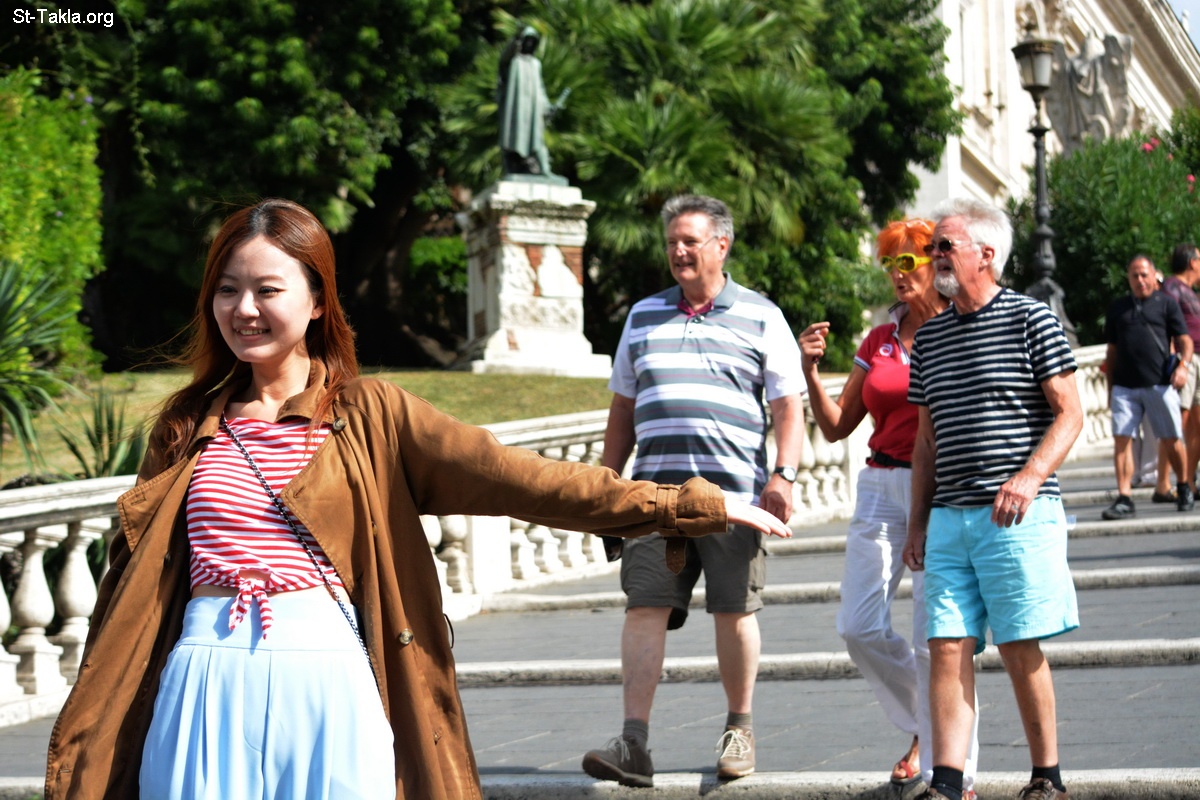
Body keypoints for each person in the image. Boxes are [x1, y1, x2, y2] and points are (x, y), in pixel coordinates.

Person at [43, 198, 793, 800]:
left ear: (316, 301)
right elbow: (128, 589)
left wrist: (682, 504)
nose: (244, 308)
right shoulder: (185, 427)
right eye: (227, 290)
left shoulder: (371, 414)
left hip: (326, 677)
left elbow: (520, 478)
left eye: (268, 290)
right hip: (203, 681)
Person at [581, 194, 804, 787]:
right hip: (654, 499)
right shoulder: (642, 316)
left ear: (721, 246)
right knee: (644, 607)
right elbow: (622, 410)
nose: (679, 251)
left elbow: (788, 407)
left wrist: (783, 475)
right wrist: (606, 489)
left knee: (734, 610)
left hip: (734, 500)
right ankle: (633, 743)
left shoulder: (762, 315)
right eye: (672, 242)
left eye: (690, 241)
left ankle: (739, 729)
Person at [902, 198, 1083, 800]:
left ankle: (1046, 777)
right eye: (932, 247)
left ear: (986, 253)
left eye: (944, 245)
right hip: (949, 518)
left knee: (1018, 643)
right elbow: (925, 442)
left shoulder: (1032, 319)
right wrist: (917, 523)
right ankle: (947, 782)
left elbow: (1071, 413)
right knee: (945, 646)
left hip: (1016, 515)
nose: (933, 256)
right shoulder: (929, 340)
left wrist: (1028, 477)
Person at [798, 219, 978, 796]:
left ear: (935, 263)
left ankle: (951, 771)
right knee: (858, 625)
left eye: (908, 262)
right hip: (879, 486)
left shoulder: (959, 328)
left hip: (940, 488)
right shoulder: (879, 339)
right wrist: (809, 371)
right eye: (890, 264)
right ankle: (927, 723)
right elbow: (836, 427)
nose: (898, 275)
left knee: (934, 636)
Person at [1101, 254, 1194, 520]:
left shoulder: (1166, 304)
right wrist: (1110, 388)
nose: (1140, 280)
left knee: (1171, 438)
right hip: (1125, 387)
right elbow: (1111, 352)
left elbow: (1185, 341)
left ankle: (1183, 486)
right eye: (1135, 275)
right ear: (1128, 279)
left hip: (1159, 384)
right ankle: (1124, 496)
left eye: (1144, 274)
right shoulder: (1118, 308)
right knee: (1122, 439)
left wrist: (1183, 366)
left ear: (1154, 275)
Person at [1160, 243, 1200, 494]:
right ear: (1192, 262)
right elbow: (1167, 323)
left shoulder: (1189, 290)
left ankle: (1189, 481)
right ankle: (1163, 484)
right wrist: (1176, 362)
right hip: (1186, 362)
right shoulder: (1172, 286)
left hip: (1196, 360)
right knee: (1176, 422)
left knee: (1196, 425)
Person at [497, 25, 559, 178]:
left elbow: (540, 88)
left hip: (533, 109)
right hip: (515, 109)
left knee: (537, 139)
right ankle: (513, 167)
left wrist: (547, 106)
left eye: (533, 41)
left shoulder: (536, 64)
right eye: (527, 40)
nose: (529, 43)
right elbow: (504, 59)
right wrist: (515, 40)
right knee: (513, 138)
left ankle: (544, 169)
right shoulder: (513, 61)